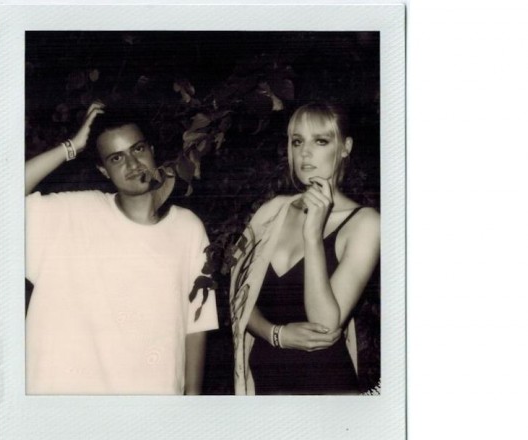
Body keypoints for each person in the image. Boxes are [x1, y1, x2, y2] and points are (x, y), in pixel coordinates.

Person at [25, 102, 218, 395]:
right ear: (103, 170)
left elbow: (198, 320)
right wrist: (72, 146)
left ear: (152, 150)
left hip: (151, 401)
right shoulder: (73, 213)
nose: (132, 164)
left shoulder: (188, 228)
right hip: (70, 398)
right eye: (116, 158)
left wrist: (191, 399)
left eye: (137, 149)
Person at [230, 101, 380, 395]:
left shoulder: (365, 224)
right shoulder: (271, 211)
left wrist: (313, 235)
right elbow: (237, 296)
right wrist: (276, 335)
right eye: (297, 141)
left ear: (345, 147)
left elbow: (324, 324)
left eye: (320, 141)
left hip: (326, 390)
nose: (305, 152)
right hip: (265, 386)